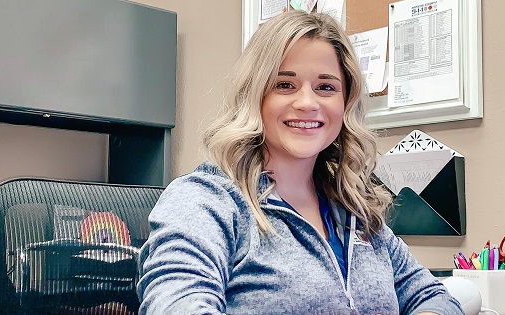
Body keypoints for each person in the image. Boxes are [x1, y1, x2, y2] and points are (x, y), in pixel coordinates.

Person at [136, 10, 463, 315]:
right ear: (256, 96)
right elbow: (174, 303)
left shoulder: (352, 211)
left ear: (344, 102)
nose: (307, 102)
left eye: (325, 87)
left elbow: (432, 296)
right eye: (285, 84)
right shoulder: (205, 200)